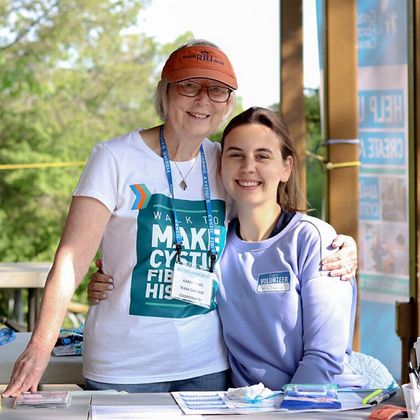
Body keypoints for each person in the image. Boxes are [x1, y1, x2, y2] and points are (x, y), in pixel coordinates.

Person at [3, 40, 357, 398]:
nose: (202, 101)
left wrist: (340, 243)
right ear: (165, 92)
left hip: (209, 366)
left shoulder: (226, 160)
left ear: (228, 102)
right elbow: (70, 261)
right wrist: (40, 346)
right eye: (189, 86)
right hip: (123, 364)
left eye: (216, 90)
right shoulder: (114, 158)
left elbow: (270, 224)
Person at [216, 107, 367, 388]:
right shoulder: (216, 244)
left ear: (286, 168)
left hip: (318, 401)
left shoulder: (314, 239)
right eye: (235, 155)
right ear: (220, 166)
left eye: (262, 156)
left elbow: (324, 357)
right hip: (247, 406)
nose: (248, 167)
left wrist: (289, 412)